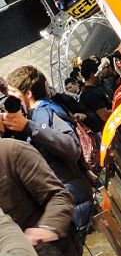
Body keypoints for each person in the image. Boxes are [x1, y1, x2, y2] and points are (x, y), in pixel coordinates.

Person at [3, 66, 94, 231]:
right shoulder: (36, 113)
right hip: (70, 196)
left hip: (73, 197)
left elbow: (72, 147)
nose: (10, 98)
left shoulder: (44, 111)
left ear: (28, 93)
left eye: (14, 93)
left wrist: (29, 126)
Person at [78, 56, 111, 125]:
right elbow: (105, 116)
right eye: (98, 72)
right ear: (93, 74)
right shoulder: (93, 94)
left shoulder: (85, 93)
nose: (100, 75)